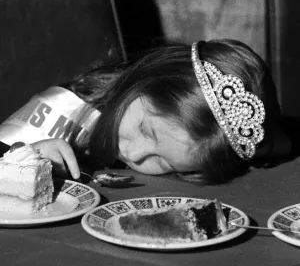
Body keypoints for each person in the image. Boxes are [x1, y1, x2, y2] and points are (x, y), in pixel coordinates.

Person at [0, 39, 293, 185]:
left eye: (165, 162)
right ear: (146, 79)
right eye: (145, 129)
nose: (136, 154)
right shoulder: (66, 106)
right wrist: (19, 157)